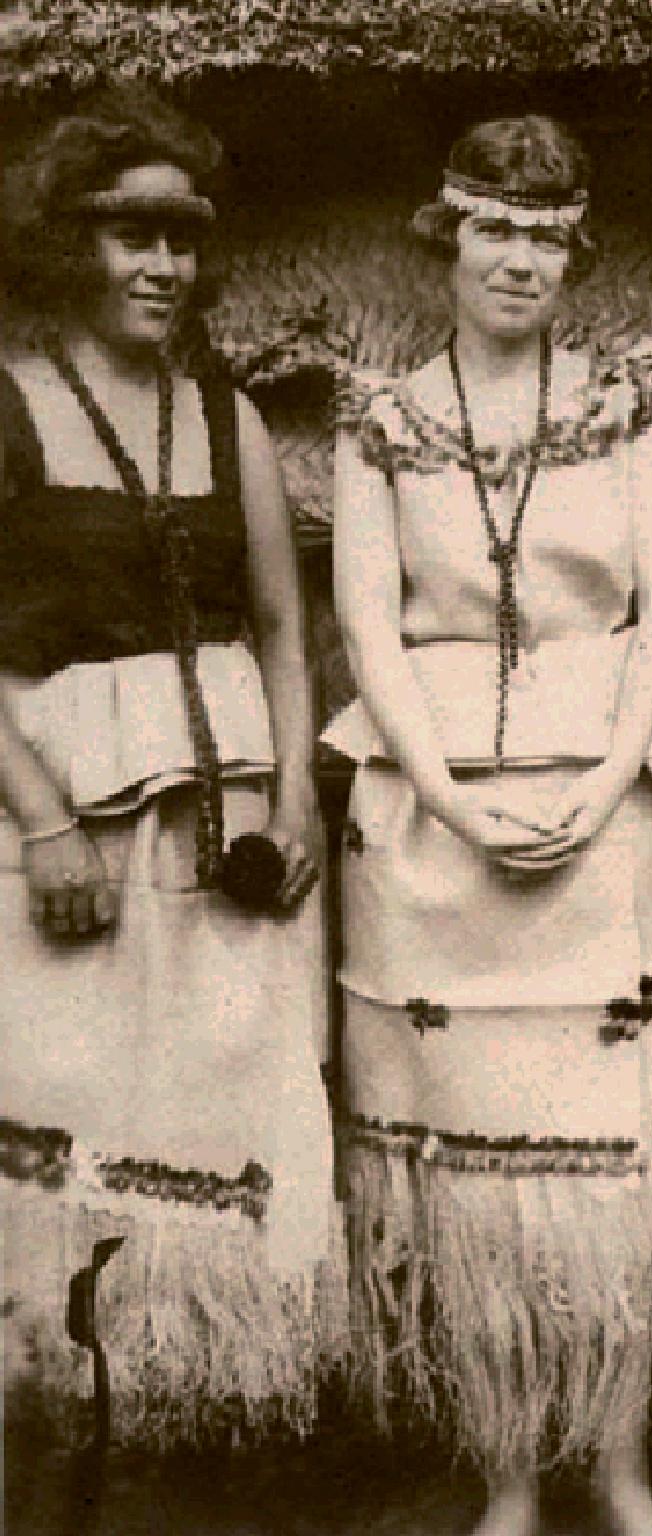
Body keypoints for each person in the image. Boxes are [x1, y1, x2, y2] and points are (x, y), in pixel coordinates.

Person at [327, 115, 652, 1536]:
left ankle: (622, 1472)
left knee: (619, 1154)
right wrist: (446, 794)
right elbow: (369, 630)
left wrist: (618, 768)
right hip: (446, 814)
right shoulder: (384, 421)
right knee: (487, 1169)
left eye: (546, 237)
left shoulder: (623, 402)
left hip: (627, 801)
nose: (520, 261)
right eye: (494, 232)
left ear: (575, 253)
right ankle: (509, 1475)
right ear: (447, 241)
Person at [0, 87, 345, 1450]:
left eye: (181, 241)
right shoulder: (9, 406)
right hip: (65, 818)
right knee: (66, 1117)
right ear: (61, 247)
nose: (159, 269)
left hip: (230, 828)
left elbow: (276, 625)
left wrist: (299, 796)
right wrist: (38, 823)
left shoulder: (226, 419)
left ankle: (176, 1451)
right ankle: (47, 1445)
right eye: (127, 237)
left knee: (215, 1114)